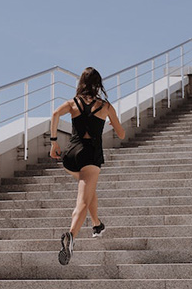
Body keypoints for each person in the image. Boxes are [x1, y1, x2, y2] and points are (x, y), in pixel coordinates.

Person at [50, 67, 125, 266]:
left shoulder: (72, 103)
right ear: (98, 84)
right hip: (90, 156)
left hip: (71, 155)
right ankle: (71, 235)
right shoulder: (106, 106)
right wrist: (111, 124)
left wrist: (54, 142)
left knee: (88, 189)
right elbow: (122, 133)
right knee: (82, 200)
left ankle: (96, 224)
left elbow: (55, 114)